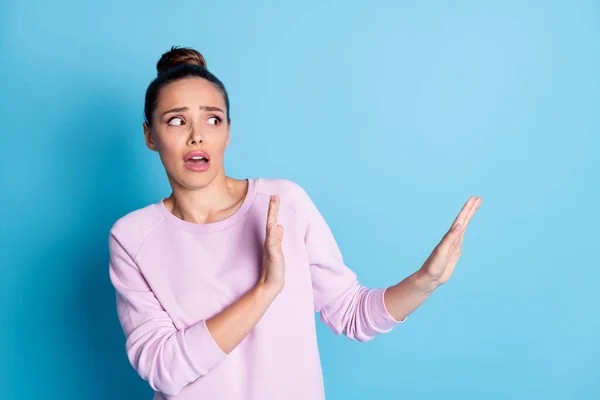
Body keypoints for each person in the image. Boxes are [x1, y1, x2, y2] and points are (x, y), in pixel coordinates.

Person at [108, 46, 482, 400]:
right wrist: (266, 290)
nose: (197, 135)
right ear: (150, 136)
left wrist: (424, 282)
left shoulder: (284, 203)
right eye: (176, 121)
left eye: (212, 118)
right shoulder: (133, 237)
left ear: (228, 129)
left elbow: (352, 314)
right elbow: (164, 368)